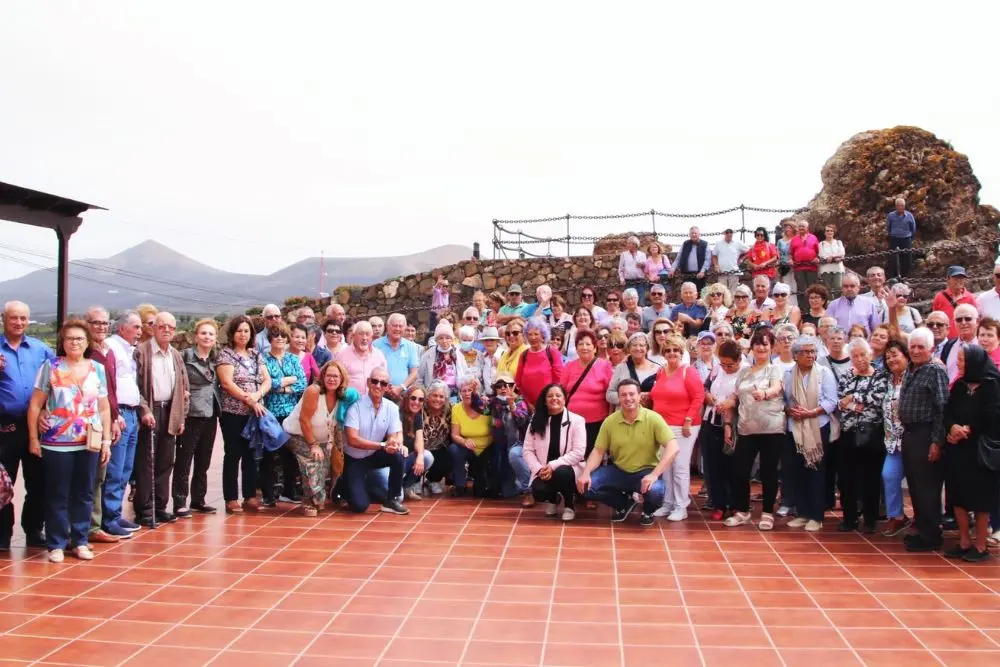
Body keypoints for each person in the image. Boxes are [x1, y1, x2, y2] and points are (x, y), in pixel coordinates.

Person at [26, 319, 112, 562]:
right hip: (57, 442)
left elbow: (104, 408)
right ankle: (56, 543)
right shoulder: (50, 367)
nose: (75, 343)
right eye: (70, 338)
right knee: (57, 493)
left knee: (84, 492)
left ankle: (80, 540)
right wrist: (34, 437)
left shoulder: (98, 369)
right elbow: (35, 405)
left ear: (88, 343)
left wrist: (106, 441)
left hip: (89, 441)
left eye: (80, 339)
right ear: (62, 342)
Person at [578, 379, 679, 526]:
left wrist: (654, 475)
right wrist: (586, 472)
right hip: (619, 470)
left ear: (640, 396)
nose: (628, 398)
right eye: (623, 395)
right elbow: (598, 451)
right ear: (618, 398)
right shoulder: (610, 421)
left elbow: (673, 447)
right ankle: (623, 504)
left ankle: (648, 511)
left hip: (646, 471)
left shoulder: (653, 418)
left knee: (655, 491)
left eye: (632, 394)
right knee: (587, 487)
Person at [0, 300, 55, 551]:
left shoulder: (41, 349)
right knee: (3, 484)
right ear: (4, 319)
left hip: (36, 426)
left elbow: (56, 384)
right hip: (4, 427)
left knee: (39, 481)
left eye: (23, 318)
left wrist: (46, 410)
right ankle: (1, 536)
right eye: (14, 318)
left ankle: (33, 529)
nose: (19, 323)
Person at [723, 328, 785, 530]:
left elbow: (777, 388)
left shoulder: (775, 369)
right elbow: (736, 395)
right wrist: (728, 403)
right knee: (739, 471)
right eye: (757, 343)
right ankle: (742, 510)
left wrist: (765, 393)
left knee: (768, 473)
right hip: (746, 429)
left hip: (771, 429)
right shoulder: (744, 371)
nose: (760, 347)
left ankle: (767, 513)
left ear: (772, 347)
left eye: (765, 343)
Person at [942, 345, 1000, 562]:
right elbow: (948, 412)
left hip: (980, 450)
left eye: (963, 360)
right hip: (959, 449)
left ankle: (981, 544)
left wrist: (967, 430)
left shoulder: (993, 385)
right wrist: (952, 428)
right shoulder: (959, 385)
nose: (959, 363)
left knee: (981, 498)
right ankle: (965, 540)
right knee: (958, 494)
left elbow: (993, 417)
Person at [134, 312, 190, 526]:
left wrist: (182, 416)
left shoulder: (175, 354)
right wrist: (144, 410)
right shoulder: (142, 352)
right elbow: (135, 386)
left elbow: (183, 388)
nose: (167, 330)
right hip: (150, 410)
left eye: (171, 327)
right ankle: (145, 509)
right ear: (154, 328)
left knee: (166, 461)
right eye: (162, 326)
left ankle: (160, 506)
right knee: (146, 462)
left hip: (171, 410)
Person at [899, 327, 949, 552]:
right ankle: (921, 528)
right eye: (913, 347)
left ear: (931, 348)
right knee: (916, 485)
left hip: (925, 433)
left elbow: (942, 408)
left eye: (921, 347)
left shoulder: (935, 370)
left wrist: (937, 441)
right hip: (910, 433)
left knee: (927, 486)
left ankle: (931, 535)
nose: (916, 351)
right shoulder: (911, 368)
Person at [781, 334, 836, 532]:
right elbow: (784, 400)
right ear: (795, 355)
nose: (810, 355)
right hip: (794, 428)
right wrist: (790, 411)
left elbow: (831, 401)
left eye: (813, 351)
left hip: (817, 427)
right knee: (797, 471)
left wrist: (811, 412)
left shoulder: (824, 373)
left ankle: (816, 515)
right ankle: (802, 512)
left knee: (815, 471)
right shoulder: (788, 374)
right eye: (805, 352)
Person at [217, 315, 270, 514]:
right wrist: (249, 400)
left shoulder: (255, 354)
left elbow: (267, 380)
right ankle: (231, 498)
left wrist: (256, 396)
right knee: (233, 454)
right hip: (233, 412)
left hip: (254, 413)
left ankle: (249, 495)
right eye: (239, 330)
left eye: (246, 331)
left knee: (251, 454)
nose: (243, 334)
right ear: (232, 333)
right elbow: (227, 383)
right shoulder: (226, 355)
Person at [649, 333, 704, 521]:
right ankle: (668, 503)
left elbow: (698, 397)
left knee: (680, 466)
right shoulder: (661, 371)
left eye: (676, 350)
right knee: (666, 467)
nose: (672, 353)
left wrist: (688, 419)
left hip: (683, 426)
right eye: (668, 350)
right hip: (663, 426)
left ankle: (681, 505)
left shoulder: (689, 371)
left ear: (682, 352)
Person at [836, 338, 889, 532]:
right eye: (854, 356)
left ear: (870, 354)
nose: (859, 359)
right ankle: (849, 518)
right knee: (847, 478)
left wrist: (853, 398)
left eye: (862, 355)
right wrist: (855, 402)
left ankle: (870, 519)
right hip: (849, 432)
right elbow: (840, 401)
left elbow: (877, 399)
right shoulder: (846, 375)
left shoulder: (881, 375)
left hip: (871, 433)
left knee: (871, 478)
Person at [342, 368, 409, 514]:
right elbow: (353, 440)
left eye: (383, 383)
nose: (378, 386)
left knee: (398, 454)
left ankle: (392, 499)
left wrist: (393, 443)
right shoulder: (355, 407)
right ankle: (347, 486)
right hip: (355, 459)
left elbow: (394, 433)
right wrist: (383, 445)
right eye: (375, 381)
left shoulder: (391, 407)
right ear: (368, 382)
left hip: (374, 455)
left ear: (387, 387)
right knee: (359, 506)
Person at [101, 311, 143, 539]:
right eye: (135, 327)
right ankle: (108, 519)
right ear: (121, 328)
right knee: (115, 470)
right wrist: (115, 414)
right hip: (120, 414)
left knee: (126, 468)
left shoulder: (128, 349)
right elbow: (107, 384)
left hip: (132, 412)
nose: (139, 331)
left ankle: (115, 515)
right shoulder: (111, 347)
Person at [173, 318, 220, 518]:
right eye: (203, 333)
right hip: (191, 413)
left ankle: (198, 499)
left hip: (210, 414)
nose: (207, 337)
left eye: (210, 334)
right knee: (184, 459)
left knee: (204, 460)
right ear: (195, 336)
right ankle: (179, 501)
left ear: (216, 338)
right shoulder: (184, 356)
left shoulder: (215, 359)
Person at [82, 307, 121, 544]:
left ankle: (94, 526)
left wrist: (115, 418)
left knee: (99, 475)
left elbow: (111, 392)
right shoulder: (83, 353)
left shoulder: (109, 352)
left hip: (103, 423)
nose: (101, 327)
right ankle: (76, 528)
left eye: (105, 323)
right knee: (82, 477)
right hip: (81, 422)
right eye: (95, 322)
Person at [522, 384, 586, 521]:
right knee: (538, 491)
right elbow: (527, 450)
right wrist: (539, 469)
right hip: (543, 469)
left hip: (568, 468)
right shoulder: (536, 420)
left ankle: (569, 505)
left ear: (564, 399)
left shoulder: (577, 421)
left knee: (562, 473)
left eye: (558, 395)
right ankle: (552, 500)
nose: (554, 399)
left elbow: (579, 452)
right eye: (550, 396)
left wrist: (553, 465)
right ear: (545, 400)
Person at [261, 324, 307, 506]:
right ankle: (268, 494)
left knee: (291, 455)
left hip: (291, 414)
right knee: (270, 455)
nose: (279, 338)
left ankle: (289, 490)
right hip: (271, 414)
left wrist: (281, 387)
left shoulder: (293, 359)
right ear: (269, 339)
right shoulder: (263, 359)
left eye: (282, 335)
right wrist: (285, 381)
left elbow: (302, 382)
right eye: (275, 335)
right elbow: (264, 383)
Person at [701, 340, 745, 521]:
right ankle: (718, 503)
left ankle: (735, 504)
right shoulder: (717, 369)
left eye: (730, 365)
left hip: (735, 424)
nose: (726, 368)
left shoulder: (745, 372)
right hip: (712, 421)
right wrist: (708, 396)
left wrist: (728, 408)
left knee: (734, 467)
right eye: (723, 364)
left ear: (739, 360)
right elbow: (705, 386)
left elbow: (741, 397)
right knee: (713, 466)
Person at [559, 329, 613, 457]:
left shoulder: (605, 366)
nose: (584, 347)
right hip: (572, 421)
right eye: (581, 344)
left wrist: (609, 419)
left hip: (597, 422)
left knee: (592, 457)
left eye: (588, 344)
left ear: (595, 348)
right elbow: (562, 392)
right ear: (576, 348)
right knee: (573, 456)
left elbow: (610, 395)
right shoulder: (569, 366)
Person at [881, 340, 912, 537]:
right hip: (892, 442)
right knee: (889, 475)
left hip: (912, 440)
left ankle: (925, 519)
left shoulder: (914, 377)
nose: (891, 359)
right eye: (888, 356)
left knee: (919, 483)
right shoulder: (887, 381)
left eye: (895, 355)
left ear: (906, 356)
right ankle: (897, 517)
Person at [448, 375, 494, 497]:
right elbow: (454, 435)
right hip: (468, 448)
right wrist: (464, 442)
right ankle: (459, 485)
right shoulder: (456, 409)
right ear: (460, 393)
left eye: (470, 390)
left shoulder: (484, 406)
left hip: (486, 449)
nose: (467, 393)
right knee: (454, 449)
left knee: (480, 492)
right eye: (464, 390)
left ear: (476, 391)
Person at [514, 319, 564, 407]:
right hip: (528, 405)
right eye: (529, 334)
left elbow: (559, 380)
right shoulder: (524, 355)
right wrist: (526, 403)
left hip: (549, 404)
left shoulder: (552, 352)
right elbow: (518, 381)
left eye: (536, 334)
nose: (533, 337)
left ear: (543, 336)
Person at [397, 385, 433, 501]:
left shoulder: (417, 417)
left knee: (427, 457)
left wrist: (420, 456)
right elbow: (399, 438)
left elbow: (419, 439)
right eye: (413, 398)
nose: (416, 402)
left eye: (421, 400)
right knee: (398, 498)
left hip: (406, 460)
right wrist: (401, 446)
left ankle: (406, 486)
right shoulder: (398, 413)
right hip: (395, 459)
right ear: (407, 398)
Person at [374, 313, 421, 402]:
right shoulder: (376, 345)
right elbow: (371, 370)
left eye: (401, 326)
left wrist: (401, 387)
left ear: (404, 328)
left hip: (403, 396)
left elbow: (414, 373)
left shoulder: (410, 346)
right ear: (387, 327)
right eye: (395, 325)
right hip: (380, 394)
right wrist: (385, 386)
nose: (398, 329)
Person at [417, 321, 469, 399]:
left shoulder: (458, 355)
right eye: (441, 338)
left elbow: (465, 375)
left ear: (452, 339)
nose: (444, 341)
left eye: (447, 338)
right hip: (434, 397)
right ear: (436, 340)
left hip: (455, 396)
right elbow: (419, 378)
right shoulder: (427, 355)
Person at [336, 321, 388, 396]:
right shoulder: (342, 355)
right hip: (350, 402)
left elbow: (384, 379)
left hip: (372, 401)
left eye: (367, 334)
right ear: (353, 336)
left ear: (371, 337)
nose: (364, 338)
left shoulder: (379, 355)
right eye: (361, 334)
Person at [607, 332, 660, 406]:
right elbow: (609, 394)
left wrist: (649, 396)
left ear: (647, 348)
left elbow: (662, 393)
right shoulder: (621, 368)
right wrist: (630, 398)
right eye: (634, 345)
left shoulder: (658, 369)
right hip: (625, 413)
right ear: (629, 348)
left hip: (650, 413)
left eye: (641, 345)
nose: (638, 348)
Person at [420, 380, 453, 495]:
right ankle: (413, 482)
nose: (438, 399)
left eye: (441, 396)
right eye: (435, 395)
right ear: (428, 396)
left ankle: (433, 480)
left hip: (439, 447)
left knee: (450, 454)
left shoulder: (450, 410)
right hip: (419, 447)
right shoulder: (420, 408)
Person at [931, 266, 977, 339]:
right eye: (956, 278)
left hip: (965, 340)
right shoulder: (939, 297)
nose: (959, 280)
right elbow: (934, 320)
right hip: (946, 341)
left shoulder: (970, 298)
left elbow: (976, 320)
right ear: (948, 279)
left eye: (961, 278)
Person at [941, 304, 980, 384]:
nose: (963, 322)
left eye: (968, 319)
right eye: (959, 320)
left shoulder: (984, 346)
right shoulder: (949, 345)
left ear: (977, 321)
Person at [790, 220, 820, 310]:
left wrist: (817, 258)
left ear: (807, 228)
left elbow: (819, 251)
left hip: (811, 267)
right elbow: (790, 253)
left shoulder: (813, 238)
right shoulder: (794, 239)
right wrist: (791, 260)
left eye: (803, 226)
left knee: (812, 288)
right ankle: (803, 309)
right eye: (800, 226)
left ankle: (813, 307)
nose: (801, 228)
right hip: (798, 268)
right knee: (801, 289)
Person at [671, 227, 711, 292]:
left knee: (700, 296)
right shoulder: (685, 244)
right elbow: (678, 258)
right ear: (689, 234)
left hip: (699, 275)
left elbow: (707, 260)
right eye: (692, 233)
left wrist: (703, 271)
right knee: (687, 294)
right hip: (687, 275)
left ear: (699, 234)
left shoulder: (705, 244)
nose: (694, 235)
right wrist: (672, 269)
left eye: (695, 233)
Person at [887, 197, 917, 278]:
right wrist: (892, 235)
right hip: (894, 239)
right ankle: (895, 277)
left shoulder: (909, 215)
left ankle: (904, 276)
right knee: (894, 259)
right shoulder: (891, 215)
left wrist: (910, 236)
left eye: (902, 205)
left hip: (906, 239)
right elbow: (888, 227)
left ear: (904, 206)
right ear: (896, 206)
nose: (900, 207)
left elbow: (913, 228)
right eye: (898, 205)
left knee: (907, 260)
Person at [712, 228, 749, 292]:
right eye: (727, 232)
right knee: (722, 293)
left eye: (730, 232)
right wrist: (716, 265)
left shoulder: (738, 243)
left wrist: (742, 259)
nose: (729, 234)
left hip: (734, 273)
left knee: (733, 293)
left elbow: (749, 251)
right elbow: (714, 255)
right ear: (724, 233)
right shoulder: (718, 244)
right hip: (722, 273)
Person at [617, 236, 648, 303]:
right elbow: (620, 269)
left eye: (630, 243)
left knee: (641, 301)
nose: (628, 245)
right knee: (629, 302)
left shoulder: (642, 255)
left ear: (635, 244)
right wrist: (622, 280)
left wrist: (643, 265)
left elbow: (646, 268)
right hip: (629, 282)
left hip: (640, 282)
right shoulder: (624, 254)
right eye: (628, 243)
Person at [817, 224, 846, 294]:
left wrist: (832, 257)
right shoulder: (821, 244)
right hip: (826, 269)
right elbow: (821, 254)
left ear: (833, 232)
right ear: (824, 232)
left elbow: (842, 252)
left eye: (831, 231)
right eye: (827, 231)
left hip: (838, 268)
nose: (829, 232)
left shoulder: (839, 243)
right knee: (828, 289)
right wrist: (827, 257)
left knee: (838, 287)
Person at [478, 327, 502, 394]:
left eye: (492, 340)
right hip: (488, 397)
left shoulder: (504, 355)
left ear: (497, 341)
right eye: (486, 340)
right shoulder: (482, 357)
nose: (489, 342)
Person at [776, 222, 797, 295]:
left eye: (790, 228)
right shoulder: (780, 241)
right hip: (784, 265)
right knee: (786, 284)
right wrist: (778, 261)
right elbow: (778, 252)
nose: (788, 229)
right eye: (786, 228)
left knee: (795, 284)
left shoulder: (796, 239)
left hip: (795, 264)